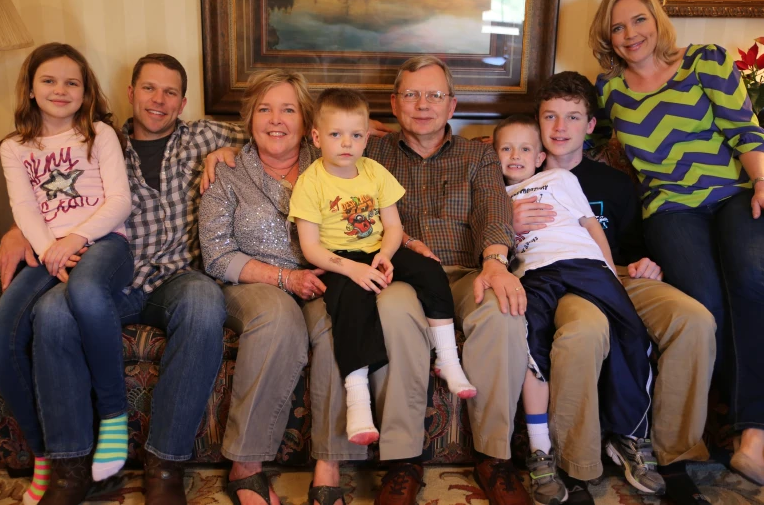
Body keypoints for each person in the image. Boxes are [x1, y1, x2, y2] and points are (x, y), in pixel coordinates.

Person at [0, 53, 246, 505]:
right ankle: (71, 467)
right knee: (52, 313)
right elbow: (47, 191)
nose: (159, 100)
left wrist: (231, 151)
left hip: (177, 277)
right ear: (131, 93)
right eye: (149, 88)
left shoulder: (204, 134)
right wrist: (15, 232)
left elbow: (279, 133)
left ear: (183, 101)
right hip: (114, 279)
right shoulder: (96, 137)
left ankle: (165, 464)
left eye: (171, 92)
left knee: (206, 302)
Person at [588, 0, 764, 489]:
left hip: (732, 193)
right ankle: (733, 426)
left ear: (657, 20)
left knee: (753, 280)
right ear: (608, 38)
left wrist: (761, 180)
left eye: (638, 20)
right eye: (617, 28)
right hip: (669, 209)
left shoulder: (703, 61)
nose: (630, 34)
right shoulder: (610, 89)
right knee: (705, 304)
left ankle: (751, 434)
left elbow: (744, 129)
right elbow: (569, 130)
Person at [514, 70, 717, 505]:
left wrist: (647, 262)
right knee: (586, 330)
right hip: (558, 279)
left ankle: (671, 454)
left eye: (572, 117)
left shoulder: (615, 184)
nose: (559, 128)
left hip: (619, 273)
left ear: (590, 126)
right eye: (550, 117)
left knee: (694, 320)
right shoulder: (517, 179)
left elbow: (636, 243)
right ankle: (576, 463)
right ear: (537, 121)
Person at [199, 71, 394, 505]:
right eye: (265, 109)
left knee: (334, 326)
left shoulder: (332, 160)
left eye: (288, 109)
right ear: (249, 118)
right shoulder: (228, 172)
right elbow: (216, 255)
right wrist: (284, 278)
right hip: (252, 281)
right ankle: (246, 464)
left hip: (322, 278)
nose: (276, 119)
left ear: (306, 122)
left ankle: (329, 465)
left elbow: (375, 155)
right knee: (278, 319)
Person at [362, 55, 530, 505]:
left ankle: (494, 457)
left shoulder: (478, 156)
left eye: (434, 95)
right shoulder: (368, 153)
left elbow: (494, 210)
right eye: (411, 95)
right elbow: (304, 141)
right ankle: (402, 461)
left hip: (466, 271)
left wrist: (495, 260)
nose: (423, 105)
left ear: (452, 105)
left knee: (502, 310)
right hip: (403, 274)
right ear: (395, 105)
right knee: (392, 310)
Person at [0, 42, 133, 504]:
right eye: (49, 80)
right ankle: (45, 454)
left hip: (105, 244)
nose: (60, 90)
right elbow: (24, 207)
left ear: (86, 91)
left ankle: (113, 416)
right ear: (30, 88)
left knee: (87, 294)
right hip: (49, 252)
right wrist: (50, 249)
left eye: (73, 82)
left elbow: (119, 202)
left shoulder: (99, 134)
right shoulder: (14, 147)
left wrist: (75, 241)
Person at [289, 88, 476, 446]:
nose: (347, 144)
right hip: (338, 259)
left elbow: (393, 226)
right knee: (352, 304)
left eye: (356, 135)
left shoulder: (373, 171)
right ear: (316, 137)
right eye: (335, 134)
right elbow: (310, 247)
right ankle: (358, 396)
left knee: (428, 269)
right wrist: (352, 269)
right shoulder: (310, 181)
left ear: (366, 138)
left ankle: (448, 360)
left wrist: (387, 255)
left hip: (377, 249)